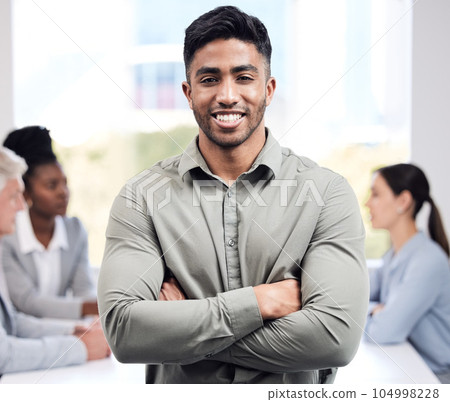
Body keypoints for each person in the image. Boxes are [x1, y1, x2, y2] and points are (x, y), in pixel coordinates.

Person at [98, 6, 369, 384]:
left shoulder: (327, 193)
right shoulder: (142, 197)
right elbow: (125, 332)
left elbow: (335, 339)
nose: (227, 95)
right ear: (189, 93)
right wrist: (262, 303)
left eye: (244, 77)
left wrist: (184, 330)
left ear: (268, 89)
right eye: (210, 79)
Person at [0, 146, 110, 375]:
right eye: (13, 197)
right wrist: (81, 347)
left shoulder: (74, 229)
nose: (21, 206)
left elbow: (11, 322)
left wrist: (73, 330)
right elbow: (5, 354)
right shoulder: (8, 241)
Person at [365, 163, 450, 384]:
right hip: (409, 369)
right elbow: (356, 299)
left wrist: (378, 314)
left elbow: (383, 332)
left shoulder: (427, 261)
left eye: (375, 194)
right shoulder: (393, 255)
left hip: (437, 380)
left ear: (403, 201)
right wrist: (376, 309)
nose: (367, 203)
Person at [2, 126, 97, 320]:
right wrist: (96, 307)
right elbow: (28, 303)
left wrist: (90, 328)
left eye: (65, 182)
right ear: (26, 192)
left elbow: (84, 291)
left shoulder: (75, 230)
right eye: (51, 185)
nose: (63, 192)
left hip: (61, 333)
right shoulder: (7, 234)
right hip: (24, 337)